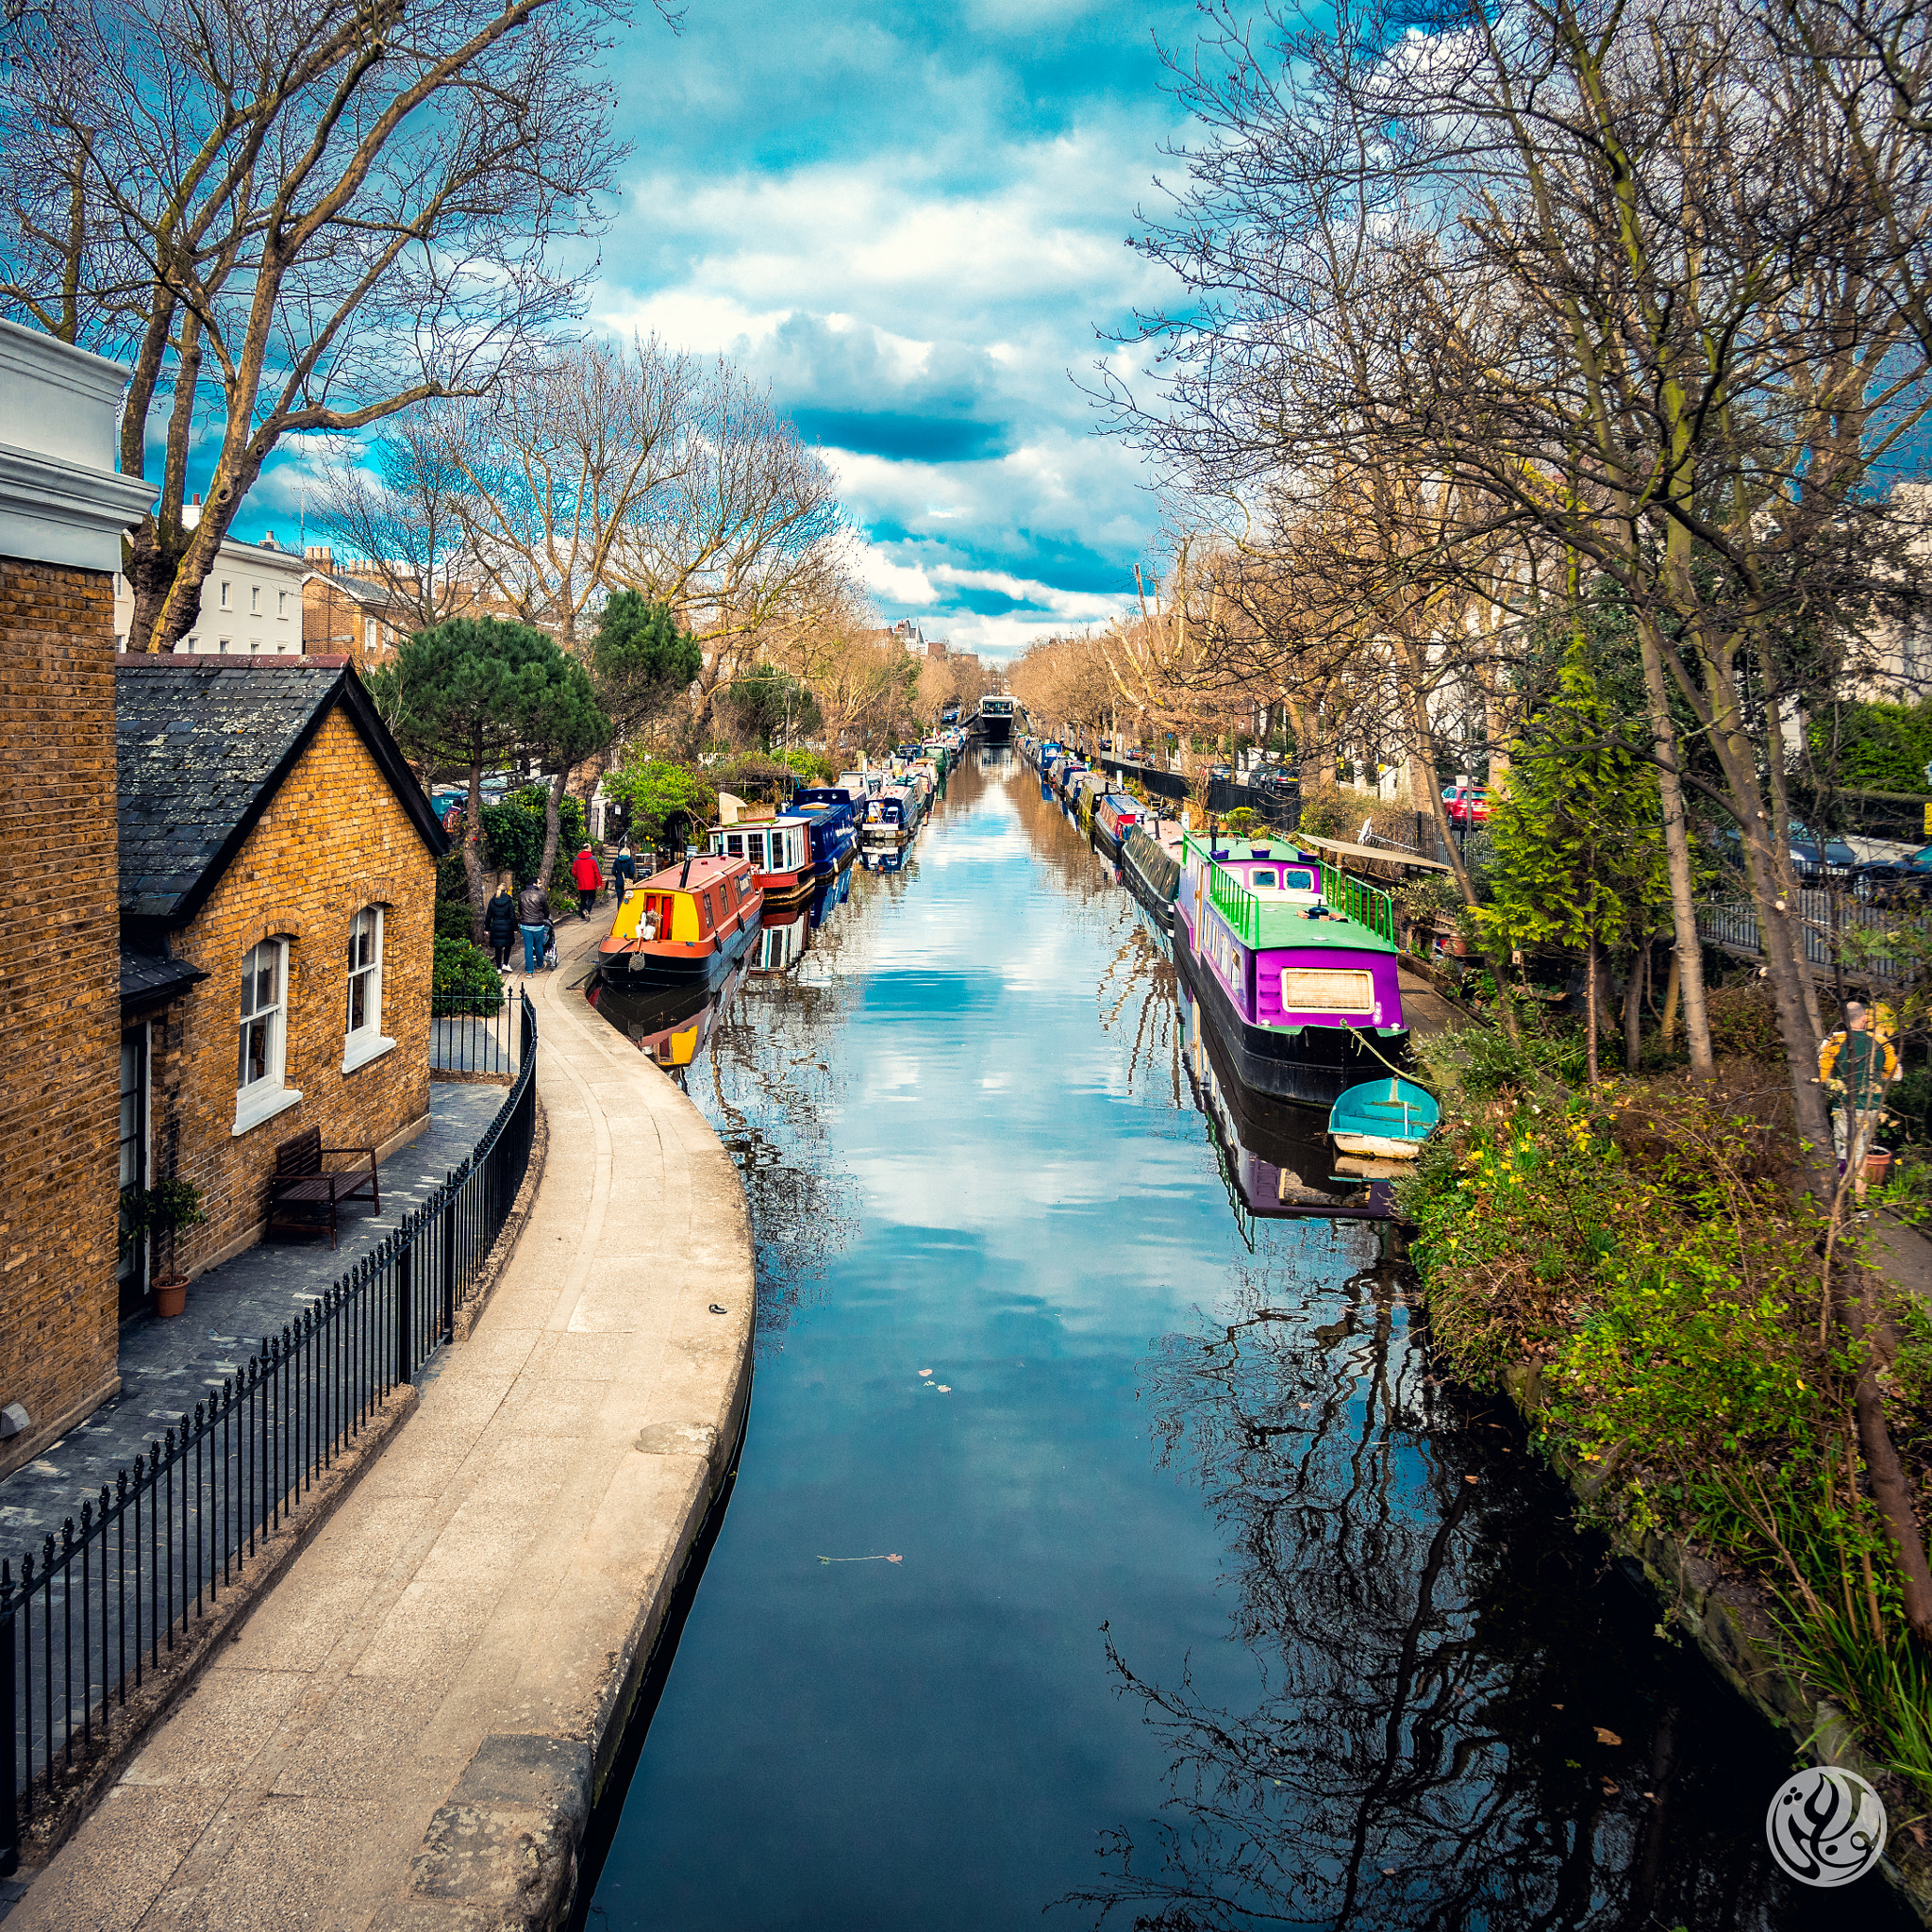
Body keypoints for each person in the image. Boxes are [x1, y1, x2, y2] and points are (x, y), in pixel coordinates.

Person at [1818, 999, 1901, 1202]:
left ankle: (1842, 1200)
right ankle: (1860, 1204)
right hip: (1871, 1108)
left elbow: (1819, 1076)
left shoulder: (1833, 1042)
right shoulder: (1882, 1042)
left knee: (1845, 1156)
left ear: (1841, 1020)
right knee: (1860, 1155)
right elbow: (1896, 1075)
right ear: (1865, 1019)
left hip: (1843, 1107)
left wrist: (1835, 1080)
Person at [483, 878, 517, 972]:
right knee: (507, 946)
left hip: (496, 926)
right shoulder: (509, 901)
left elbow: (488, 916)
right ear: (505, 891)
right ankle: (505, 963)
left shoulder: (492, 901)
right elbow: (512, 915)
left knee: (498, 948)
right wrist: (515, 928)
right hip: (507, 926)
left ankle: (498, 968)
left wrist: (487, 928)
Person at [516, 878, 549, 973]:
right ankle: (540, 964)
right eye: (539, 883)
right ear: (534, 884)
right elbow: (546, 909)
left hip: (525, 924)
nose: (540, 885)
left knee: (528, 947)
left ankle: (529, 970)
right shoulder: (541, 895)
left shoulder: (522, 895)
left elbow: (520, 909)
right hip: (538, 924)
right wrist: (545, 918)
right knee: (539, 945)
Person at [571, 845, 603, 920]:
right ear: (588, 849)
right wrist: (599, 883)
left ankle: (582, 915)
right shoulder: (593, 858)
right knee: (591, 898)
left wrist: (577, 878)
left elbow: (574, 871)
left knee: (583, 899)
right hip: (591, 882)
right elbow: (597, 872)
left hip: (581, 882)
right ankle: (587, 910)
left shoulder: (577, 859)